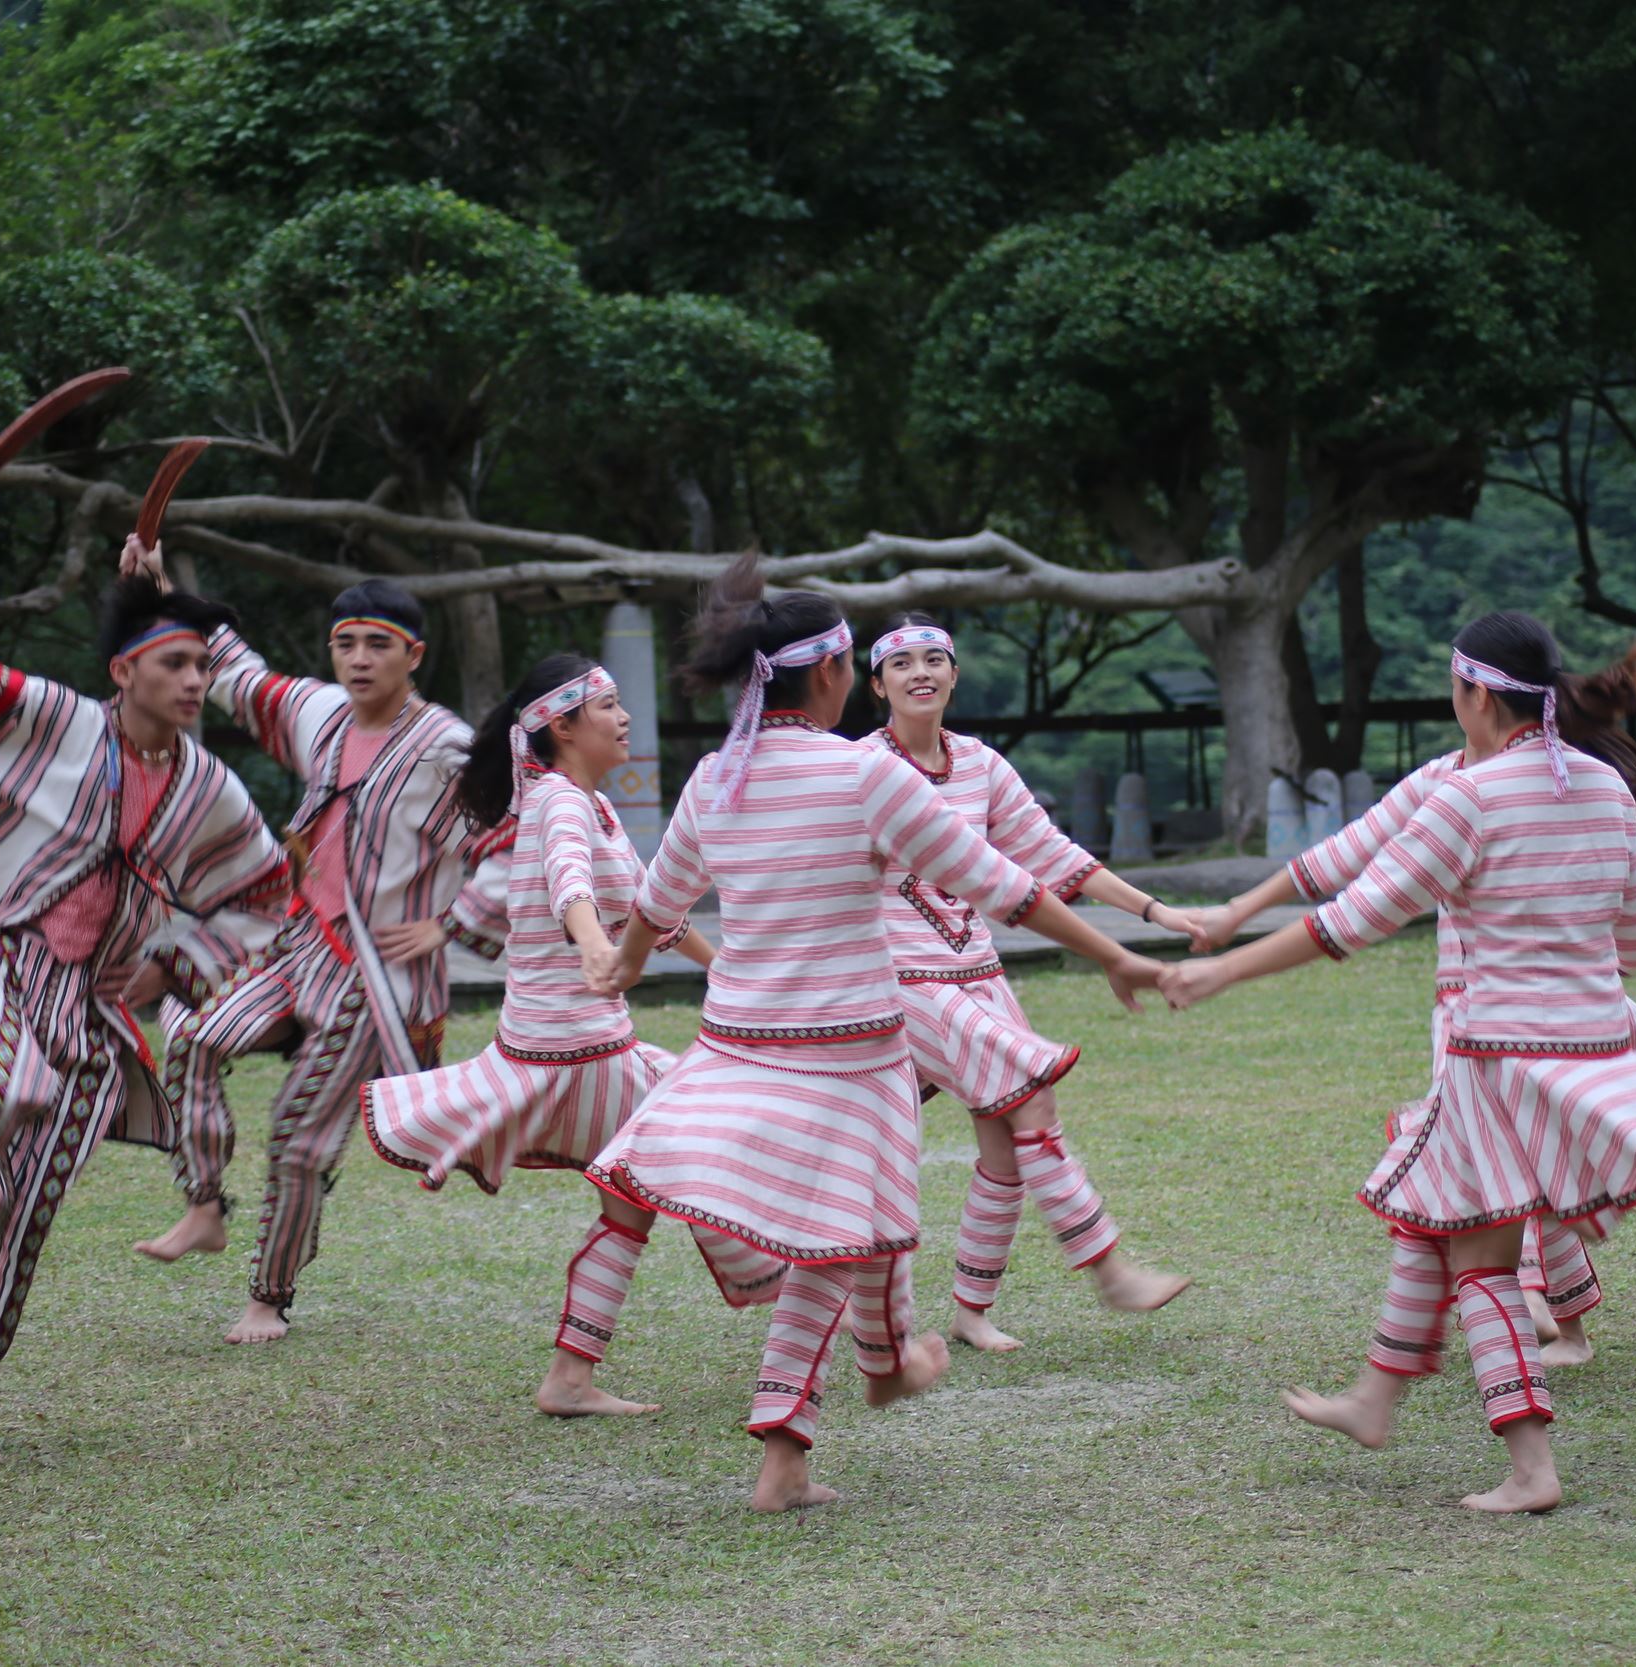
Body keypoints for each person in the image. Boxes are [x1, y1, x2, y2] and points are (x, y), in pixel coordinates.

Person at [583, 558, 1169, 1512]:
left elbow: (656, 900)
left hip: (736, 1046)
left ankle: (795, 1447)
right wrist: (1116, 955)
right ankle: (881, 1364)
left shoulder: (715, 778)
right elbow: (1001, 884)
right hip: (847, 1054)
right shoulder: (864, 773)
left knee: (835, 1240)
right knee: (856, 1232)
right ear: (832, 675)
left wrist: (623, 965)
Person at [1160, 611, 1636, 1513]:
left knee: (1483, 1264)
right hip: (1585, 1051)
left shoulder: (1469, 797)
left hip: (1493, 1062)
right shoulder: (1606, 790)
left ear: (1476, 695)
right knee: (1437, 1220)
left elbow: (1350, 920)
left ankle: (1529, 1469)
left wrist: (1220, 968)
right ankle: (1378, 1398)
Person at [0, 485, 291, 1462]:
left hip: (90, 1009)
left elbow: (268, 897)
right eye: (173, 661)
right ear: (123, 669)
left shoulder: (208, 790)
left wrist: (174, 960)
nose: (193, 680)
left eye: (200, 664)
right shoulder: (55, 722)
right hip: (0, 959)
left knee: (25, 1205)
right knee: (9, 1087)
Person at [362, 652, 782, 1416]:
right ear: (562, 724)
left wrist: (725, 968)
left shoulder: (589, 803)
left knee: (637, 1200)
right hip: (577, 1050)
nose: (625, 717)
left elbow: (651, 908)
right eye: (610, 704)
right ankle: (806, 1289)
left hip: (580, 1046)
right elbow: (572, 885)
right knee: (718, 1132)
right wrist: (591, 943)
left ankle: (571, 1377)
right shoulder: (560, 801)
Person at [125, 550, 508, 1345]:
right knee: (193, 1033)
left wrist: (452, 924)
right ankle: (203, 1204)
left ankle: (270, 1297)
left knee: (299, 1136)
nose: (360, 659)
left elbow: (515, 843)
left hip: (377, 980)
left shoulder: (449, 750)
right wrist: (165, 594)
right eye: (346, 644)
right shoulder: (319, 712)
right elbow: (235, 669)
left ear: (414, 654)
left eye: (378, 644)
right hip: (295, 945)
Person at [860, 613, 1192, 1352]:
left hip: (979, 978)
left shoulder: (978, 762)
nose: (921, 672)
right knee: (1031, 1095)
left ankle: (971, 1311)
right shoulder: (859, 767)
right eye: (902, 662)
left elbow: (1049, 852)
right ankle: (1107, 1267)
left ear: (954, 673)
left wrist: (1151, 908)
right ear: (874, 681)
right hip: (905, 987)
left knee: (1005, 1149)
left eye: (935, 658)